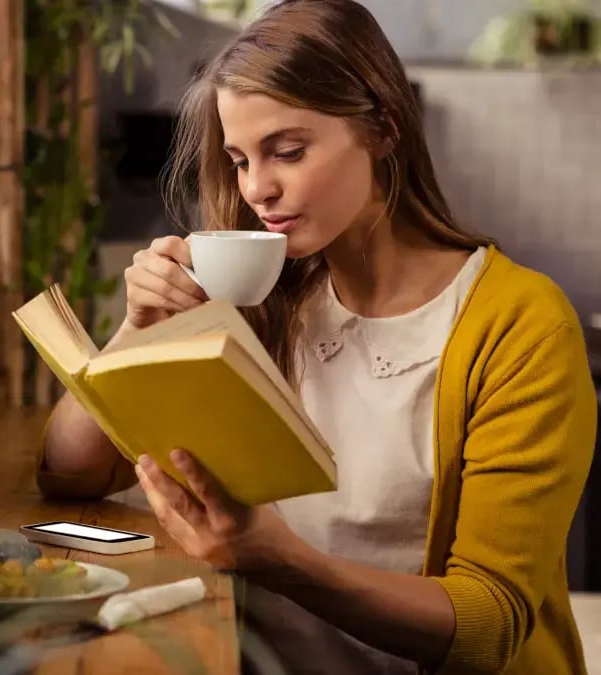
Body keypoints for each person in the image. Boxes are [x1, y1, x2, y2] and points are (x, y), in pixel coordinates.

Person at [36, 0, 597, 673]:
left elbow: (486, 623)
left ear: (383, 129)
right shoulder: (262, 301)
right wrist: (137, 327)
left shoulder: (519, 324)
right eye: (240, 160)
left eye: (288, 150)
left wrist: (281, 561)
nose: (257, 190)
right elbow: (69, 472)